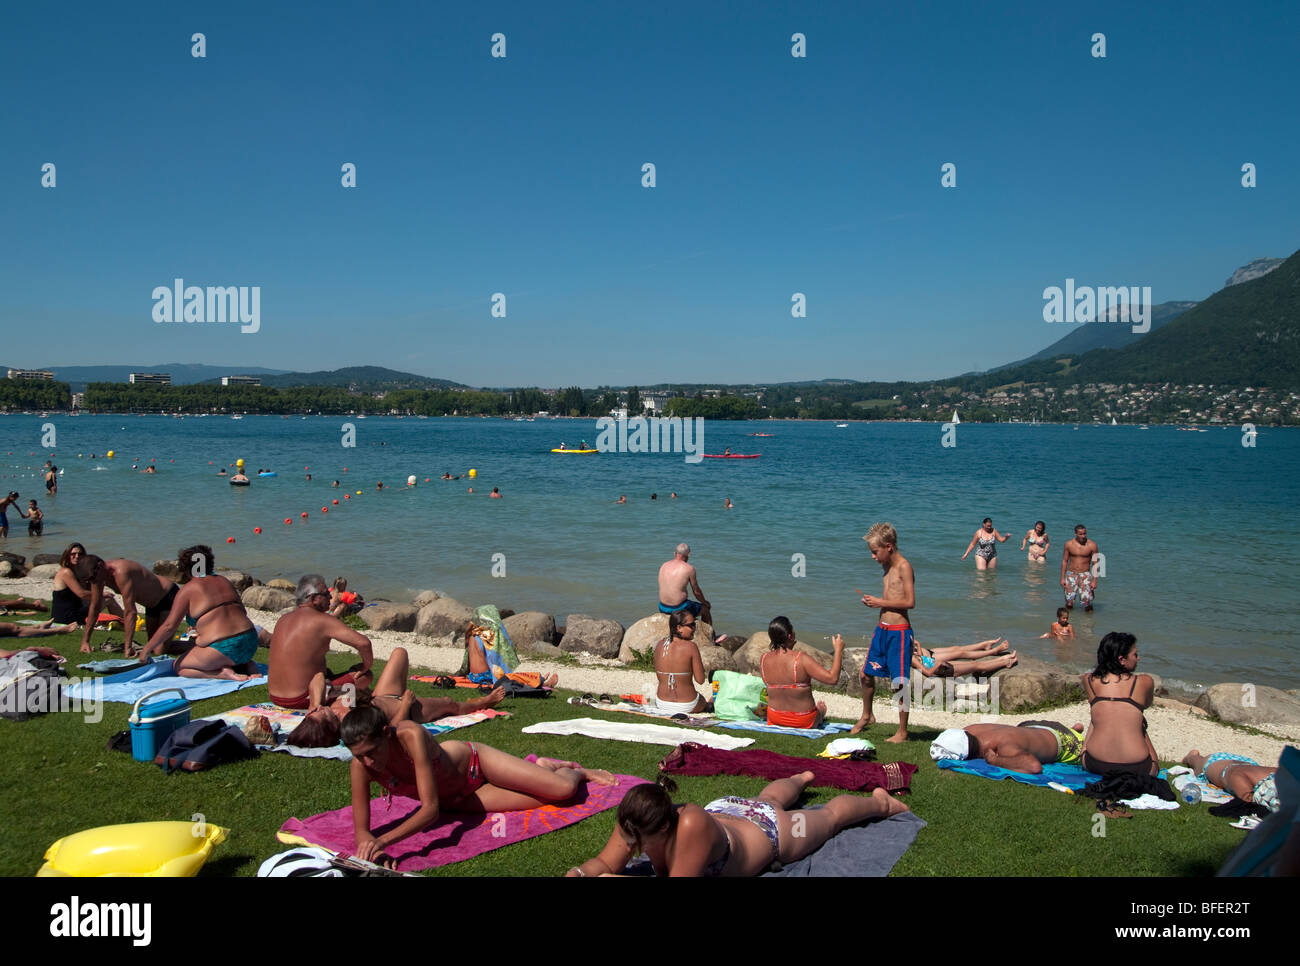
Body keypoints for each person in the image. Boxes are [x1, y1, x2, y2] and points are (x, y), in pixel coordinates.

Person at [341, 703, 616, 865]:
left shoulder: (409, 735)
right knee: (546, 801)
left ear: (386, 734)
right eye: (358, 756)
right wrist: (370, 852)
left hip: (476, 763)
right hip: (460, 801)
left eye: (371, 752)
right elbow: (362, 831)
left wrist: (384, 840)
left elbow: (430, 810)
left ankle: (576, 771)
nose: (366, 762)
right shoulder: (360, 767)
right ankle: (540, 767)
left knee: (564, 791)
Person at [568, 774, 908, 877]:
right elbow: (603, 863)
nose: (630, 844)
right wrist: (580, 873)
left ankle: (881, 802)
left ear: (662, 830)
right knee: (767, 799)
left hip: (774, 833)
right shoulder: (635, 816)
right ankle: (801, 778)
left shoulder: (690, 824)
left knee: (829, 818)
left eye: (636, 839)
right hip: (732, 811)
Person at [285, 646, 505, 748]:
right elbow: (392, 729)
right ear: (330, 728)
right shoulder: (351, 725)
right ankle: (485, 702)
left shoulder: (323, 707)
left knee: (399, 653)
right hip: (405, 708)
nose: (321, 710)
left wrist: (315, 703)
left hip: (382, 695)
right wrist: (406, 704)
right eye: (321, 714)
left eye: (316, 711)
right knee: (449, 704)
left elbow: (317, 677)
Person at [137, 545, 263, 680]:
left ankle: (224, 674)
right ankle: (247, 665)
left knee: (180, 666)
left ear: (185, 568)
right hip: (250, 641)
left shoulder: (188, 589)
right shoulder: (223, 581)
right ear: (210, 563)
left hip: (223, 647)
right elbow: (241, 611)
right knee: (229, 652)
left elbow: (169, 626)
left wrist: (146, 650)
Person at [267, 575, 374, 708]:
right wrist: (366, 666)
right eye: (326, 594)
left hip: (275, 696)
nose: (330, 596)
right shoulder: (322, 620)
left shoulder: (283, 619)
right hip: (302, 698)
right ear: (314, 598)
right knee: (364, 677)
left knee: (326, 671)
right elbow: (364, 643)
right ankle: (344, 703)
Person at [852, 522, 915, 742]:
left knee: (899, 682)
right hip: (882, 629)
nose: (873, 557)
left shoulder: (904, 567)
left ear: (888, 546)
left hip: (899, 631)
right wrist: (876, 603)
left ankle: (903, 731)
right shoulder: (886, 566)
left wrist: (880, 602)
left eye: (875, 552)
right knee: (865, 674)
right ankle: (867, 716)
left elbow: (910, 601)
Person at [1080, 632, 1159, 777]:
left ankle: (1083, 751)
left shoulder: (1089, 680)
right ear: (1122, 659)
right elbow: (1146, 704)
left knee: (1098, 715)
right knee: (1138, 721)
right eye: (1135, 654)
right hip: (1139, 768)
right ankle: (1154, 761)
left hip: (1095, 764)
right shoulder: (1144, 681)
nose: (1138, 658)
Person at [78, 556, 179, 656]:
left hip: (168, 597)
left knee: (158, 650)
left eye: (91, 578)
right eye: (88, 580)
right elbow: (95, 607)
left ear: (100, 566)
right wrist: (85, 641)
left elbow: (130, 611)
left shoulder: (121, 572)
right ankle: (173, 644)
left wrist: (128, 646)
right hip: (151, 605)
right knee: (152, 647)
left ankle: (193, 645)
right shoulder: (97, 577)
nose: (92, 582)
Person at [759, 616, 843, 728]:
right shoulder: (801, 658)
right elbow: (832, 679)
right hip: (803, 720)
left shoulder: (764, 659)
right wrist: (838, 651)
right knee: (821, 709)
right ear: (790, 636)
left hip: (775, 718)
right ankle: (820, 713)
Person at [929, 719, 1088, 773]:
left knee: (1088, 754)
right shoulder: (971, 729)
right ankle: (1074, 729)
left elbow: (1034, 766)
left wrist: (996, 761)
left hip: (1066, 745)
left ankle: (1077, 733)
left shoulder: (1005, 747)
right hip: (1035, 725)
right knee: (1025, 734)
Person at [52, 544, 124, 634]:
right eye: (73, 554)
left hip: (75, 613)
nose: (77, 556)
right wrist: (102, 594)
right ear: (67, 556)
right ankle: (126, 622)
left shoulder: (79, 573)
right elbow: (81, 594)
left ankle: (125, 621)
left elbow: (89, 593)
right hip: (66, 617)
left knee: (100, 599)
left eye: (80, 554)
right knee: (108, 599)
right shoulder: (66, 572)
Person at [652, 611, 712, 715]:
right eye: (691, 625)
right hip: (687, 705)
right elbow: (700, 680)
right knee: (707, 701)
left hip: (662, 703)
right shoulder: (691, 647)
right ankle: (711, 703)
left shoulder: (659, 645)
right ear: (679, 628)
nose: (694, 628)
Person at [1181, 750, 1279, 813]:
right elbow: (1247, 798)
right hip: (1219, 764)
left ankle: (1193, 757)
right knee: (1197, 764)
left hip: (1247, 765)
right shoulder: (1240, 778)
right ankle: (1191, 756)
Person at [657, 542, 712, 625]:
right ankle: (709, 635)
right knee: (705, 610)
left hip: (662, 607)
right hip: (678, 608)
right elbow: (696, 591)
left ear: (674, 553)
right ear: (688, 554)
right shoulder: (689, 568)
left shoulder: (664, 565)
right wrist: (705, 602)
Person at [913, 637, 1017, 677]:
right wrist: (938, 664)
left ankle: (1002, 659)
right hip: (944, 670)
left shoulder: (910, 655)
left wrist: (917, 645)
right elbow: (927, 673)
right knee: (976, 665)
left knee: (974, 663)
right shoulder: (911, 659)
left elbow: (923, 659)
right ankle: (1006, 662)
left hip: (943, 666)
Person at [1061, 524, 1099, 611]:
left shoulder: (1092, 545)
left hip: (1085, 574)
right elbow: (1064, 561)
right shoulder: (1068, 544)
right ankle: (1069, 621)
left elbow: (1095, 564)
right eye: (1081, 534)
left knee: (1087, 603)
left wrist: (1094, 580)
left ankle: (1089, 622)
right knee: (1069, 602)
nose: (1083, 536)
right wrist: (1062, 578)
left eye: (1085, 533)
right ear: (1075, 534)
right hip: (1071, 574)